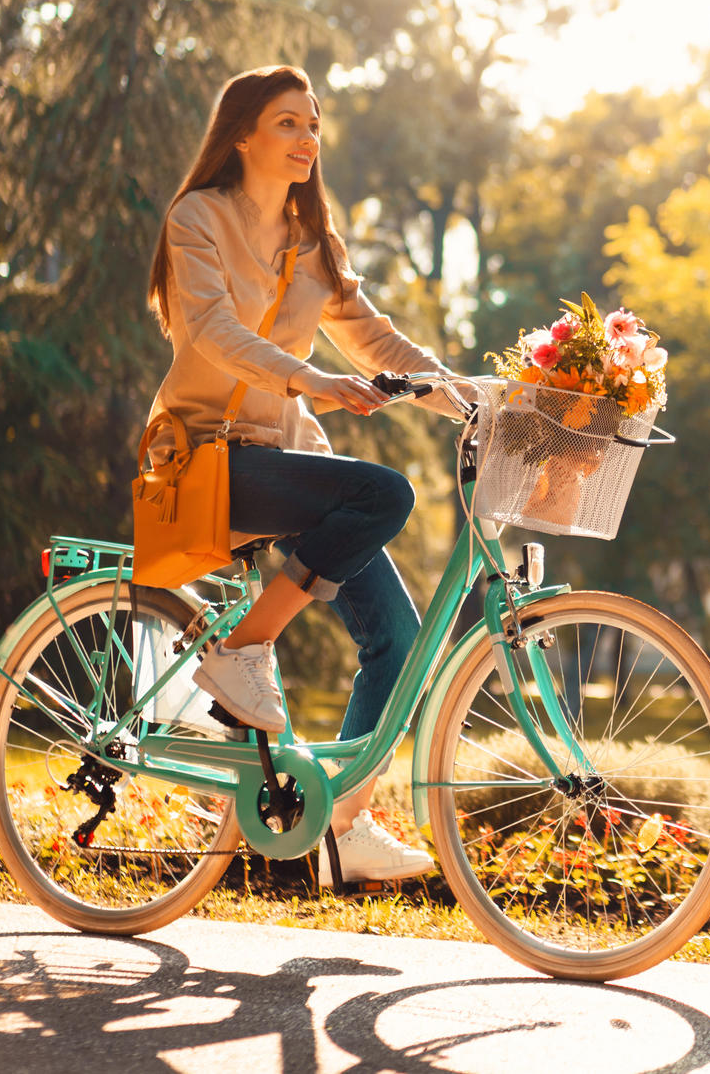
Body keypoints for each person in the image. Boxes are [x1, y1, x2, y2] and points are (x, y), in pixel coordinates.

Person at [141, 64, 459, 886]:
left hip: (289, 460)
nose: (307, 138)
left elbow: (378, 343)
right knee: (383, 493)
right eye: (288, 122)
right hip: (213, 457)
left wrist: (472, 398)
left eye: (314, 124)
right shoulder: (198, 218)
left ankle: (339, 824)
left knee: (401, 642)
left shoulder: (313, 244)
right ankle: (245, 646)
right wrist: (310, 380)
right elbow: (211, 331)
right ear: (241, 133)